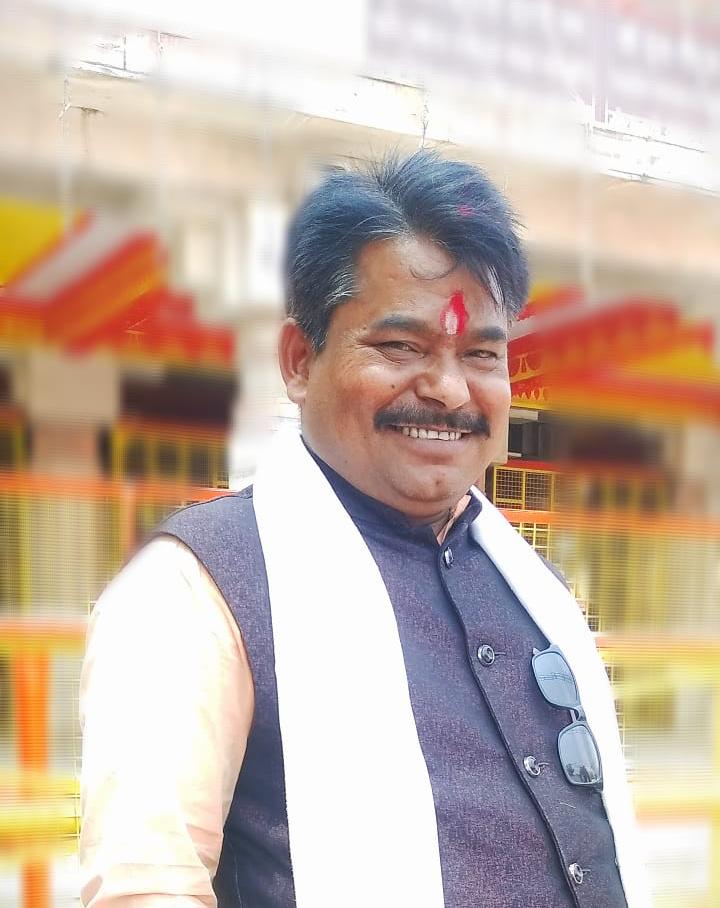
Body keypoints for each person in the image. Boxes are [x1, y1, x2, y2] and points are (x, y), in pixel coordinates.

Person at [79, 151, 648, 908]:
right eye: (400, 347)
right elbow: (146, 886)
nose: (449, 390)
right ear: (298, 360)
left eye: (481, 354)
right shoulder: (195, 590)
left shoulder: (528, 585)